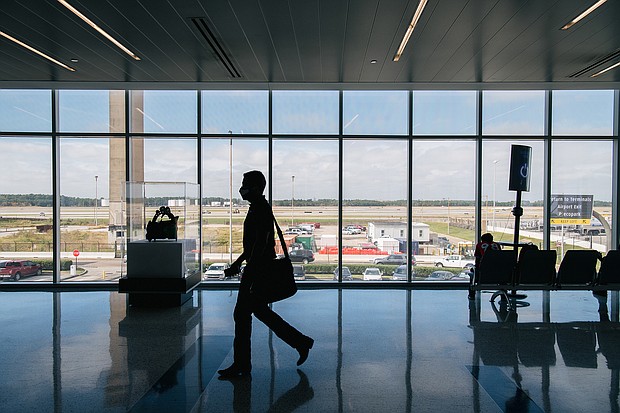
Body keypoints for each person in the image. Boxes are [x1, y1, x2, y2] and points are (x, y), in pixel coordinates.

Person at [218, 170, 314, 378]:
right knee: (255, 312)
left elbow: (261, 244)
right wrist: (237, 263)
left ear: (255, 187)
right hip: (255, 268)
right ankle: (300, 342)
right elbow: (253, 245)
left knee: (243, 314)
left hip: (257, 271)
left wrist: (248, 269)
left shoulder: (260, 209)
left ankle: (243, 364)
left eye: (245, 184)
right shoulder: (257, 208)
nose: (241, 188)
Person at [468, 232, 502, 299]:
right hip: (498, 274)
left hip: (484, 273)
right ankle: (503, 296)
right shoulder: (497, 245)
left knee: (472, 273)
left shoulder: (479, 245)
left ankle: (471, 295)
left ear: (482, 240)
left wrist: (475, 268)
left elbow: (477, 259)